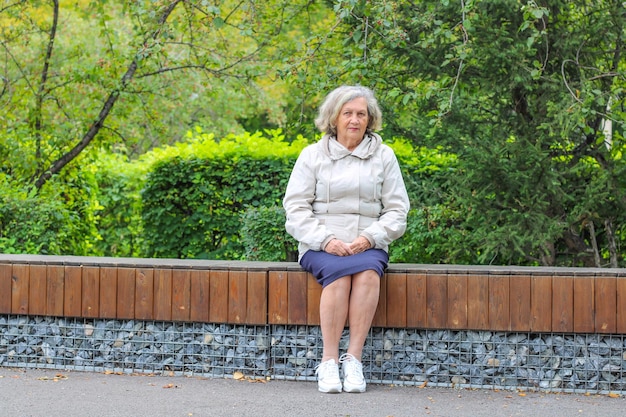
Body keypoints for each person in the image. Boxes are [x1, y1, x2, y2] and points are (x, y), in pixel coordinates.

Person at [282, 85, 410, 393]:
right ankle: (328, 362)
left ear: (370, 120)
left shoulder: (384, 156)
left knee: (367, 273)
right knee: (339, 278)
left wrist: (370, 237)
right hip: (320, 245)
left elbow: (397, 209)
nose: (354, 120)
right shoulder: (312, 155)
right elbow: (295, 208)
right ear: (334, 118)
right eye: (348, 113)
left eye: (361, 114)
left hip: (367, 243)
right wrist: (325, 240)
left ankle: (353, 360)